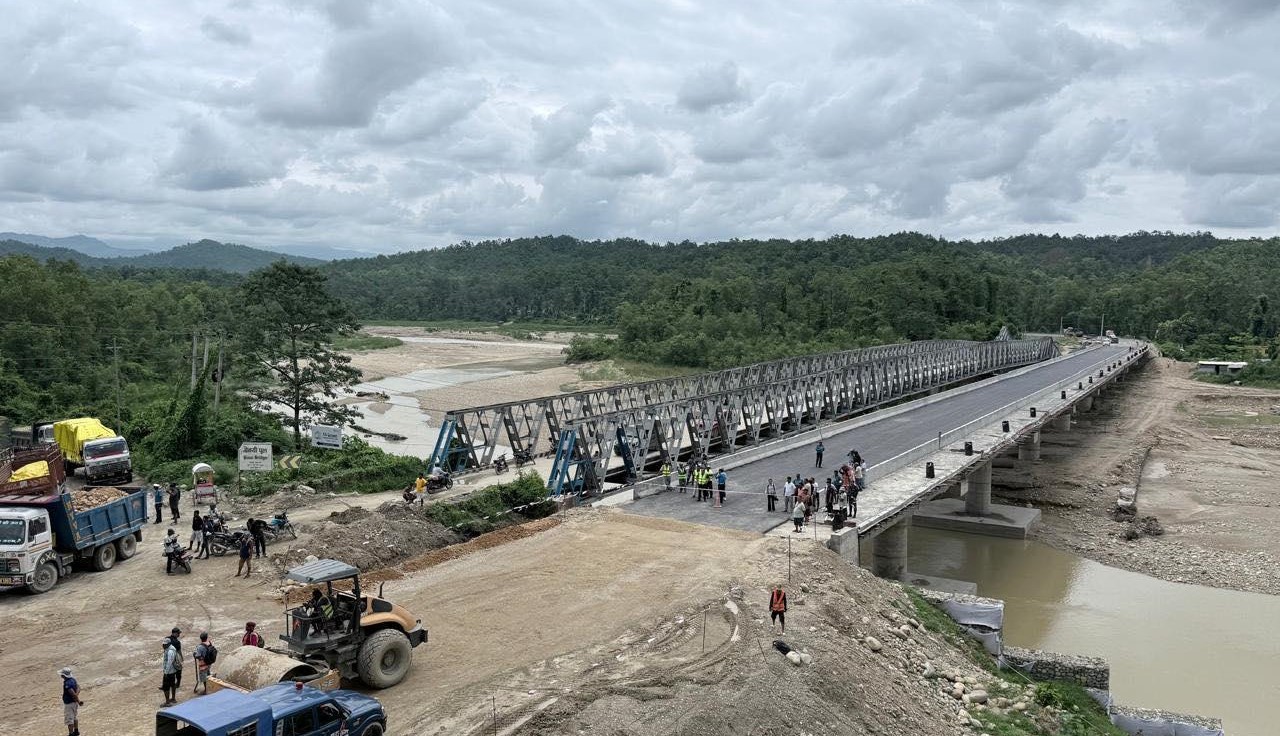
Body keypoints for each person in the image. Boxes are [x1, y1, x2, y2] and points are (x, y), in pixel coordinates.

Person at [60, 666, 82, 736]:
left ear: (64, 675)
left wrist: (78, 700)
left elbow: (72, 694)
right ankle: (76, 731)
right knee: (75, 717)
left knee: (69, 720)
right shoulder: (73, 680)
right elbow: (79, 687)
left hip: (69, 704)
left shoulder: (67, 684)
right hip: (74, 703)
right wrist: (77, 697)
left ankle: (71, 734)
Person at [161, 636, 181, 705]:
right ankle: (173, 698)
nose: (163, 645)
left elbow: (169, 662)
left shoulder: (170, 651)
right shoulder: (170, 649)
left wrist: (166, 672)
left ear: (168, 644)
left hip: (169, 672)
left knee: (166, 687)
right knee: (172, 685)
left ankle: (167, 702)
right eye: (163, 644)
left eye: (164, 644)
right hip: (172, 671)